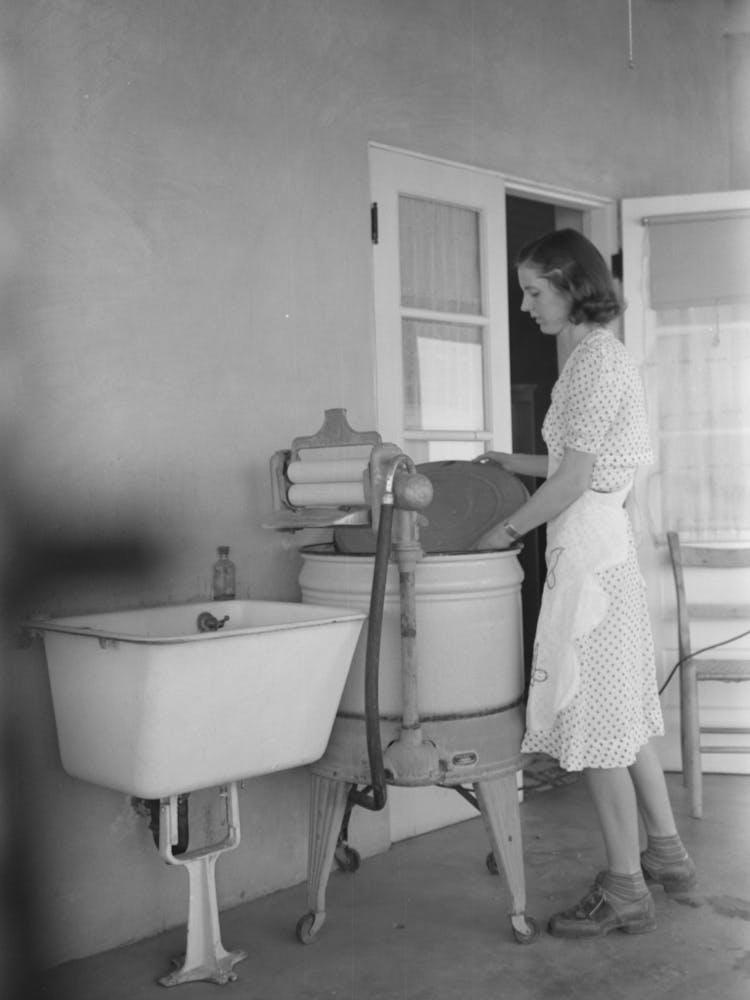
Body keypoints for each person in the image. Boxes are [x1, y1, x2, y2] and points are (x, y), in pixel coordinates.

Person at [476, 228, 695, 939]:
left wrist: (502, 532)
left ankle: (626, 887)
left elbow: (576, 479)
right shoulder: (597, 360)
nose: (524, 303)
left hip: (593, 554)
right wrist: (506, 459)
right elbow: (580, 462)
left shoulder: (594, 364)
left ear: (572, 285)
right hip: (603, 546)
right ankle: (667, 854)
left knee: (601, 725)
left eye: (535, 289)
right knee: (623, 718)